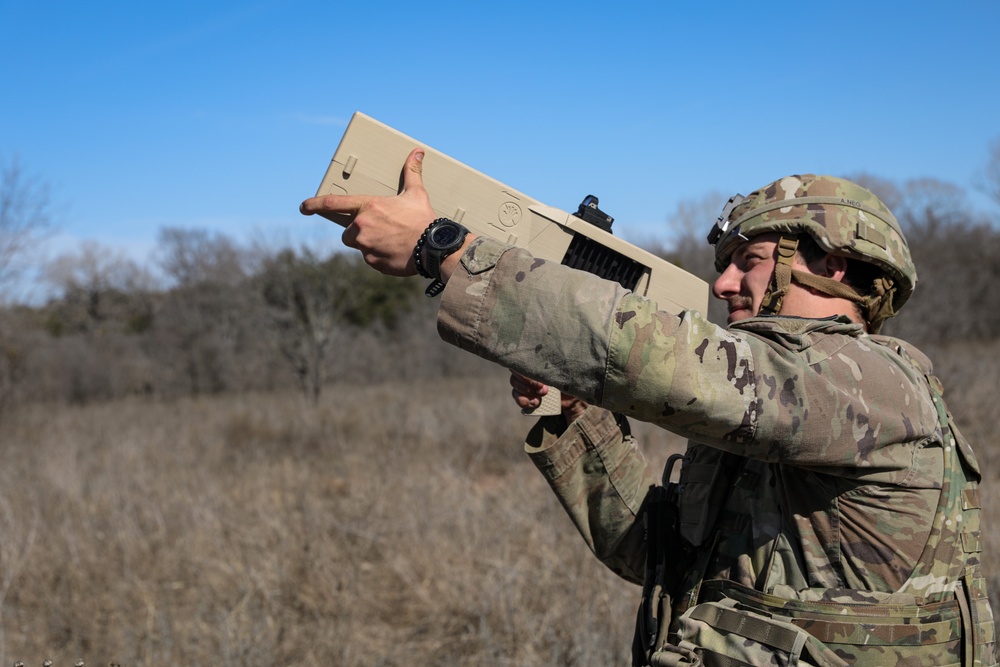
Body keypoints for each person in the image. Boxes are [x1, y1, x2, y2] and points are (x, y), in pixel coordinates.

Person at [301, 150, 996, 666]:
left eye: (747, 259)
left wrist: (447, 250)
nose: (722, 281)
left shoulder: (870, 382)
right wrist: (578, 412)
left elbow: (685, 367)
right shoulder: (774, 412)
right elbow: (659, 559)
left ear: (832, 265)